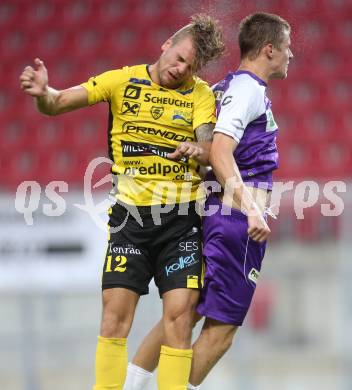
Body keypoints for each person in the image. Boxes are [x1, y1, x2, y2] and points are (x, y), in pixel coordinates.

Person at [19, 14, 225, 390]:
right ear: (166, 44)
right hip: (130, 223)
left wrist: (200, 148)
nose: (180, 69)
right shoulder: (121, 80)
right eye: (178, 57)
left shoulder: (200, 95)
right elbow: (58, 103)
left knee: (179, 319)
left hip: (180, 223)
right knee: (114, 320)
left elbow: (212, 147)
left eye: (189, 67)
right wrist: (44, 94)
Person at [123, 12, 293, 390]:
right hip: (235, 223)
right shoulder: (248, 90)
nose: (290, 55)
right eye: (286, 47)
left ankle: (129, 386)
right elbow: (220, 152)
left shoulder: (222, 87)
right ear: (268, 49)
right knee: (222, 330)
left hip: (215, 213)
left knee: (185, 312)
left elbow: (207, 149)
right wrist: (252, 209)